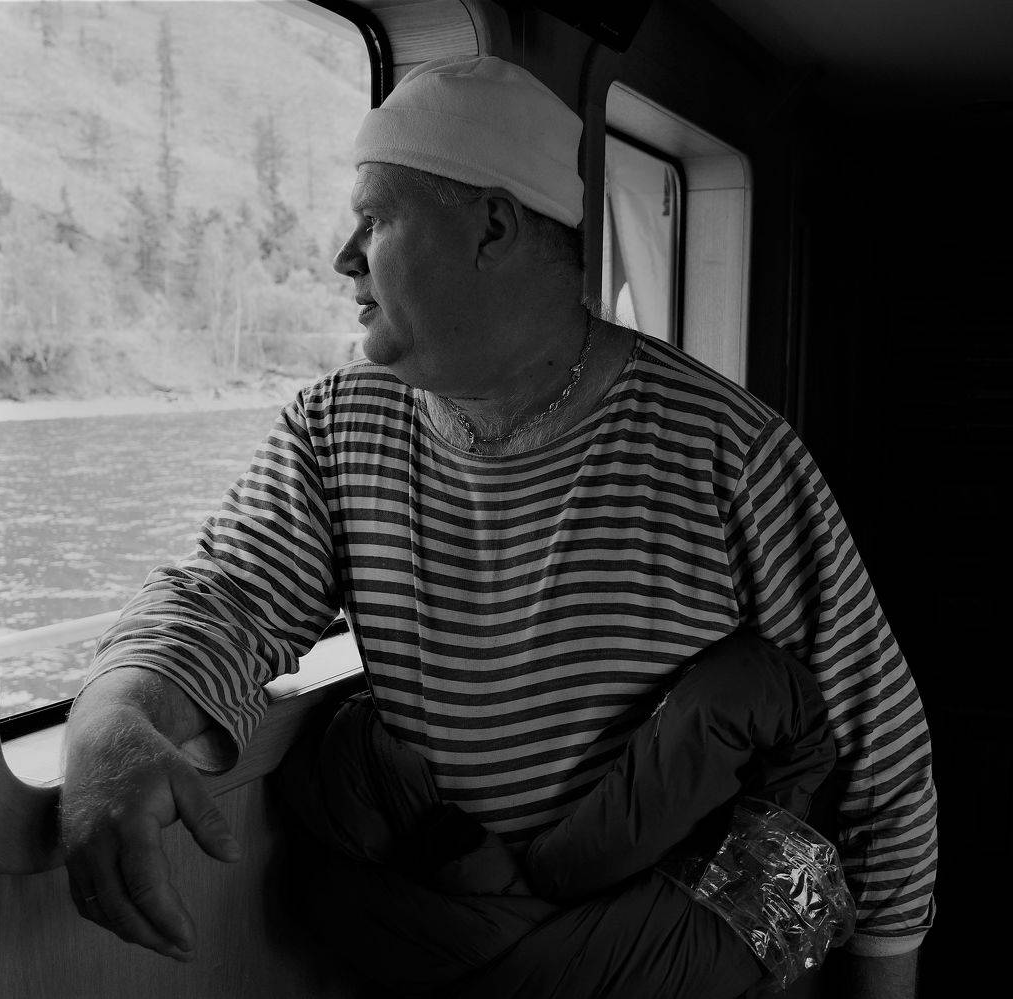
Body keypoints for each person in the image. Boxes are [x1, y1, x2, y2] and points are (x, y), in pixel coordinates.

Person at [60, 55, 937, 998]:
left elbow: (877, 748)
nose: (343, 256)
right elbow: (228, 598)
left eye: (374, 218)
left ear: (491, 225)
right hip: (446, 927)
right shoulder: (334, 427)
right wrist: (115, 716)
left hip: (663, 955)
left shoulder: (728, 450)